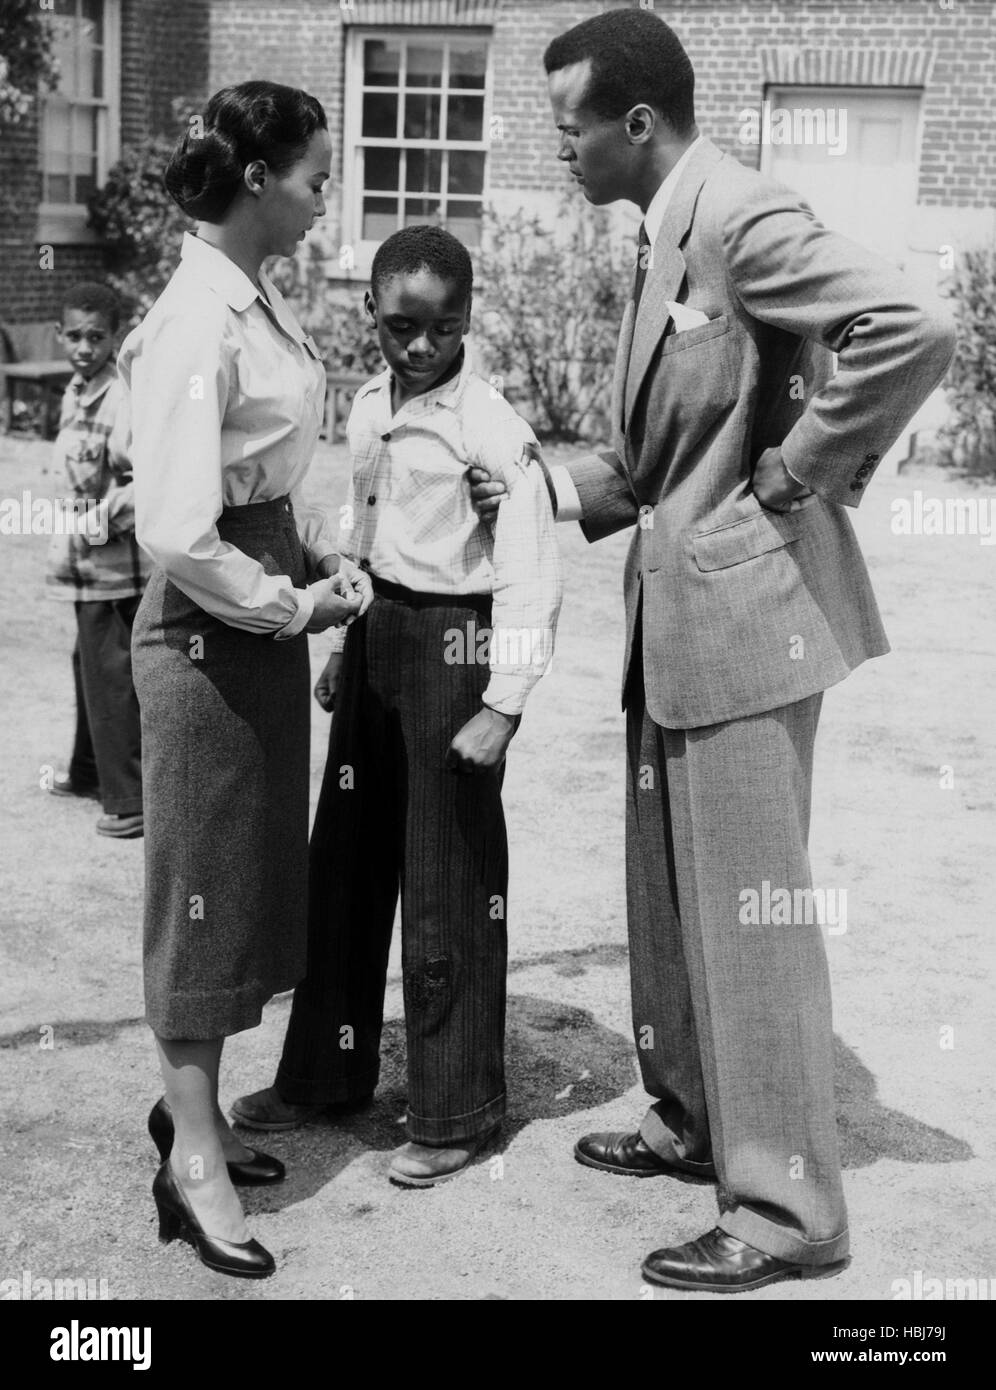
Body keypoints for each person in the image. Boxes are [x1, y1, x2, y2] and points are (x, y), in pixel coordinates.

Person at [470, 8, 956, 1292]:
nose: (557, 147)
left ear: (638, 122)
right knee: (674, 901)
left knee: (753, 919)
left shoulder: (740, 215)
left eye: (569, 124)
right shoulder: (658, 234)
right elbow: (656, 458)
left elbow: (912, 327)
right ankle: (692, 1117)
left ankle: (791, 1209)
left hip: (749, 619)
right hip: (675, 619)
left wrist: (802, 470)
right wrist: (534, 486)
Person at [232, 225, 563, 1187]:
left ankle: (457, 1108)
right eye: (403, 325)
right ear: (371, 313)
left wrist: (504, 703)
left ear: (469, 321)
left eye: (444, 328)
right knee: (340, 864)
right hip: (378, 638)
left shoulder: (491, 426)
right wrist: (344, 644)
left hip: (454, 653)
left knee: (447, 876)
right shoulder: (369, 403)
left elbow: (532, 571)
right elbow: (361, 532)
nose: (422, 347)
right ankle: (325, 1076)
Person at [119, 80, 372, 1279]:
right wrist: (288, 603)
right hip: (209, 635)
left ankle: (196, 1113)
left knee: (248, 881)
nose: (328, 198)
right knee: (202, 895)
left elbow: (250, 478)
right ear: (262, 175)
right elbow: (174, 524)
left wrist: (314, 555)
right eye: (318, 175)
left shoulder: (250, 299)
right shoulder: (195, 318)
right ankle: (193, 1166)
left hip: (253, 617)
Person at [45, 282, 149, 839]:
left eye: (96, 337)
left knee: (111, 675)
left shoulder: (122, 398)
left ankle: (129, 800)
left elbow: (144, 479)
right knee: (87, 663)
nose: (84, 348)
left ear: (116, 337)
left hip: (115, 568)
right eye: (74, 336)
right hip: (83, 567)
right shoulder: (76, 391)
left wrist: (103, 517)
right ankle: (88, 771)